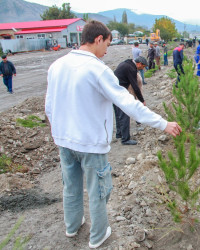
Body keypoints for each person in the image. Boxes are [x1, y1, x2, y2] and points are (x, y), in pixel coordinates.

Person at [45, 20, 182, 249]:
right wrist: (163, 123)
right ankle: (98, 235)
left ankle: (72, 226)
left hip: (64, 140)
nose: (107, 50)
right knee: (99, 191)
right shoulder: (97, 69)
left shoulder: (57, 65)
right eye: (107, 43)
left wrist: (57, 133)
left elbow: (49, 106)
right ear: (98, 39)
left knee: (71, 185)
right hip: (90, 143)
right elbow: (127, 102)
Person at [113, 56, 148, 146]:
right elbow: (135, 86)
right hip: (119, 92)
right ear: (139, 64)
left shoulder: (126, 63)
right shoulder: (132, 68)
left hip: (113, 91)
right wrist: (142, 100)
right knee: (125, 114)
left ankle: (119, 134)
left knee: (118, 114)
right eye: (143, 66)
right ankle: (125, 139)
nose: (142, 69)